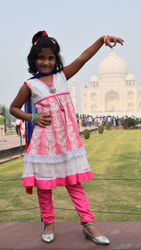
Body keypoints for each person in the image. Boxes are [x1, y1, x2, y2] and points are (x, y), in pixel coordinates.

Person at [10, 31, 124, 244]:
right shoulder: (30, 85)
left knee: (75, 184)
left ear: (56, 59)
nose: (46, 62)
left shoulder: (62, 76)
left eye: (51, 58)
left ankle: (88, 224)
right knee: (44, 186)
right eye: (41, 57)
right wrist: (32, 117)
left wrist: (101, 40)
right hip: (44, 142)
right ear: (34, 59)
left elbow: (82, 58)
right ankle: (49, 222)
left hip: (67, 142)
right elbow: (13, 108)